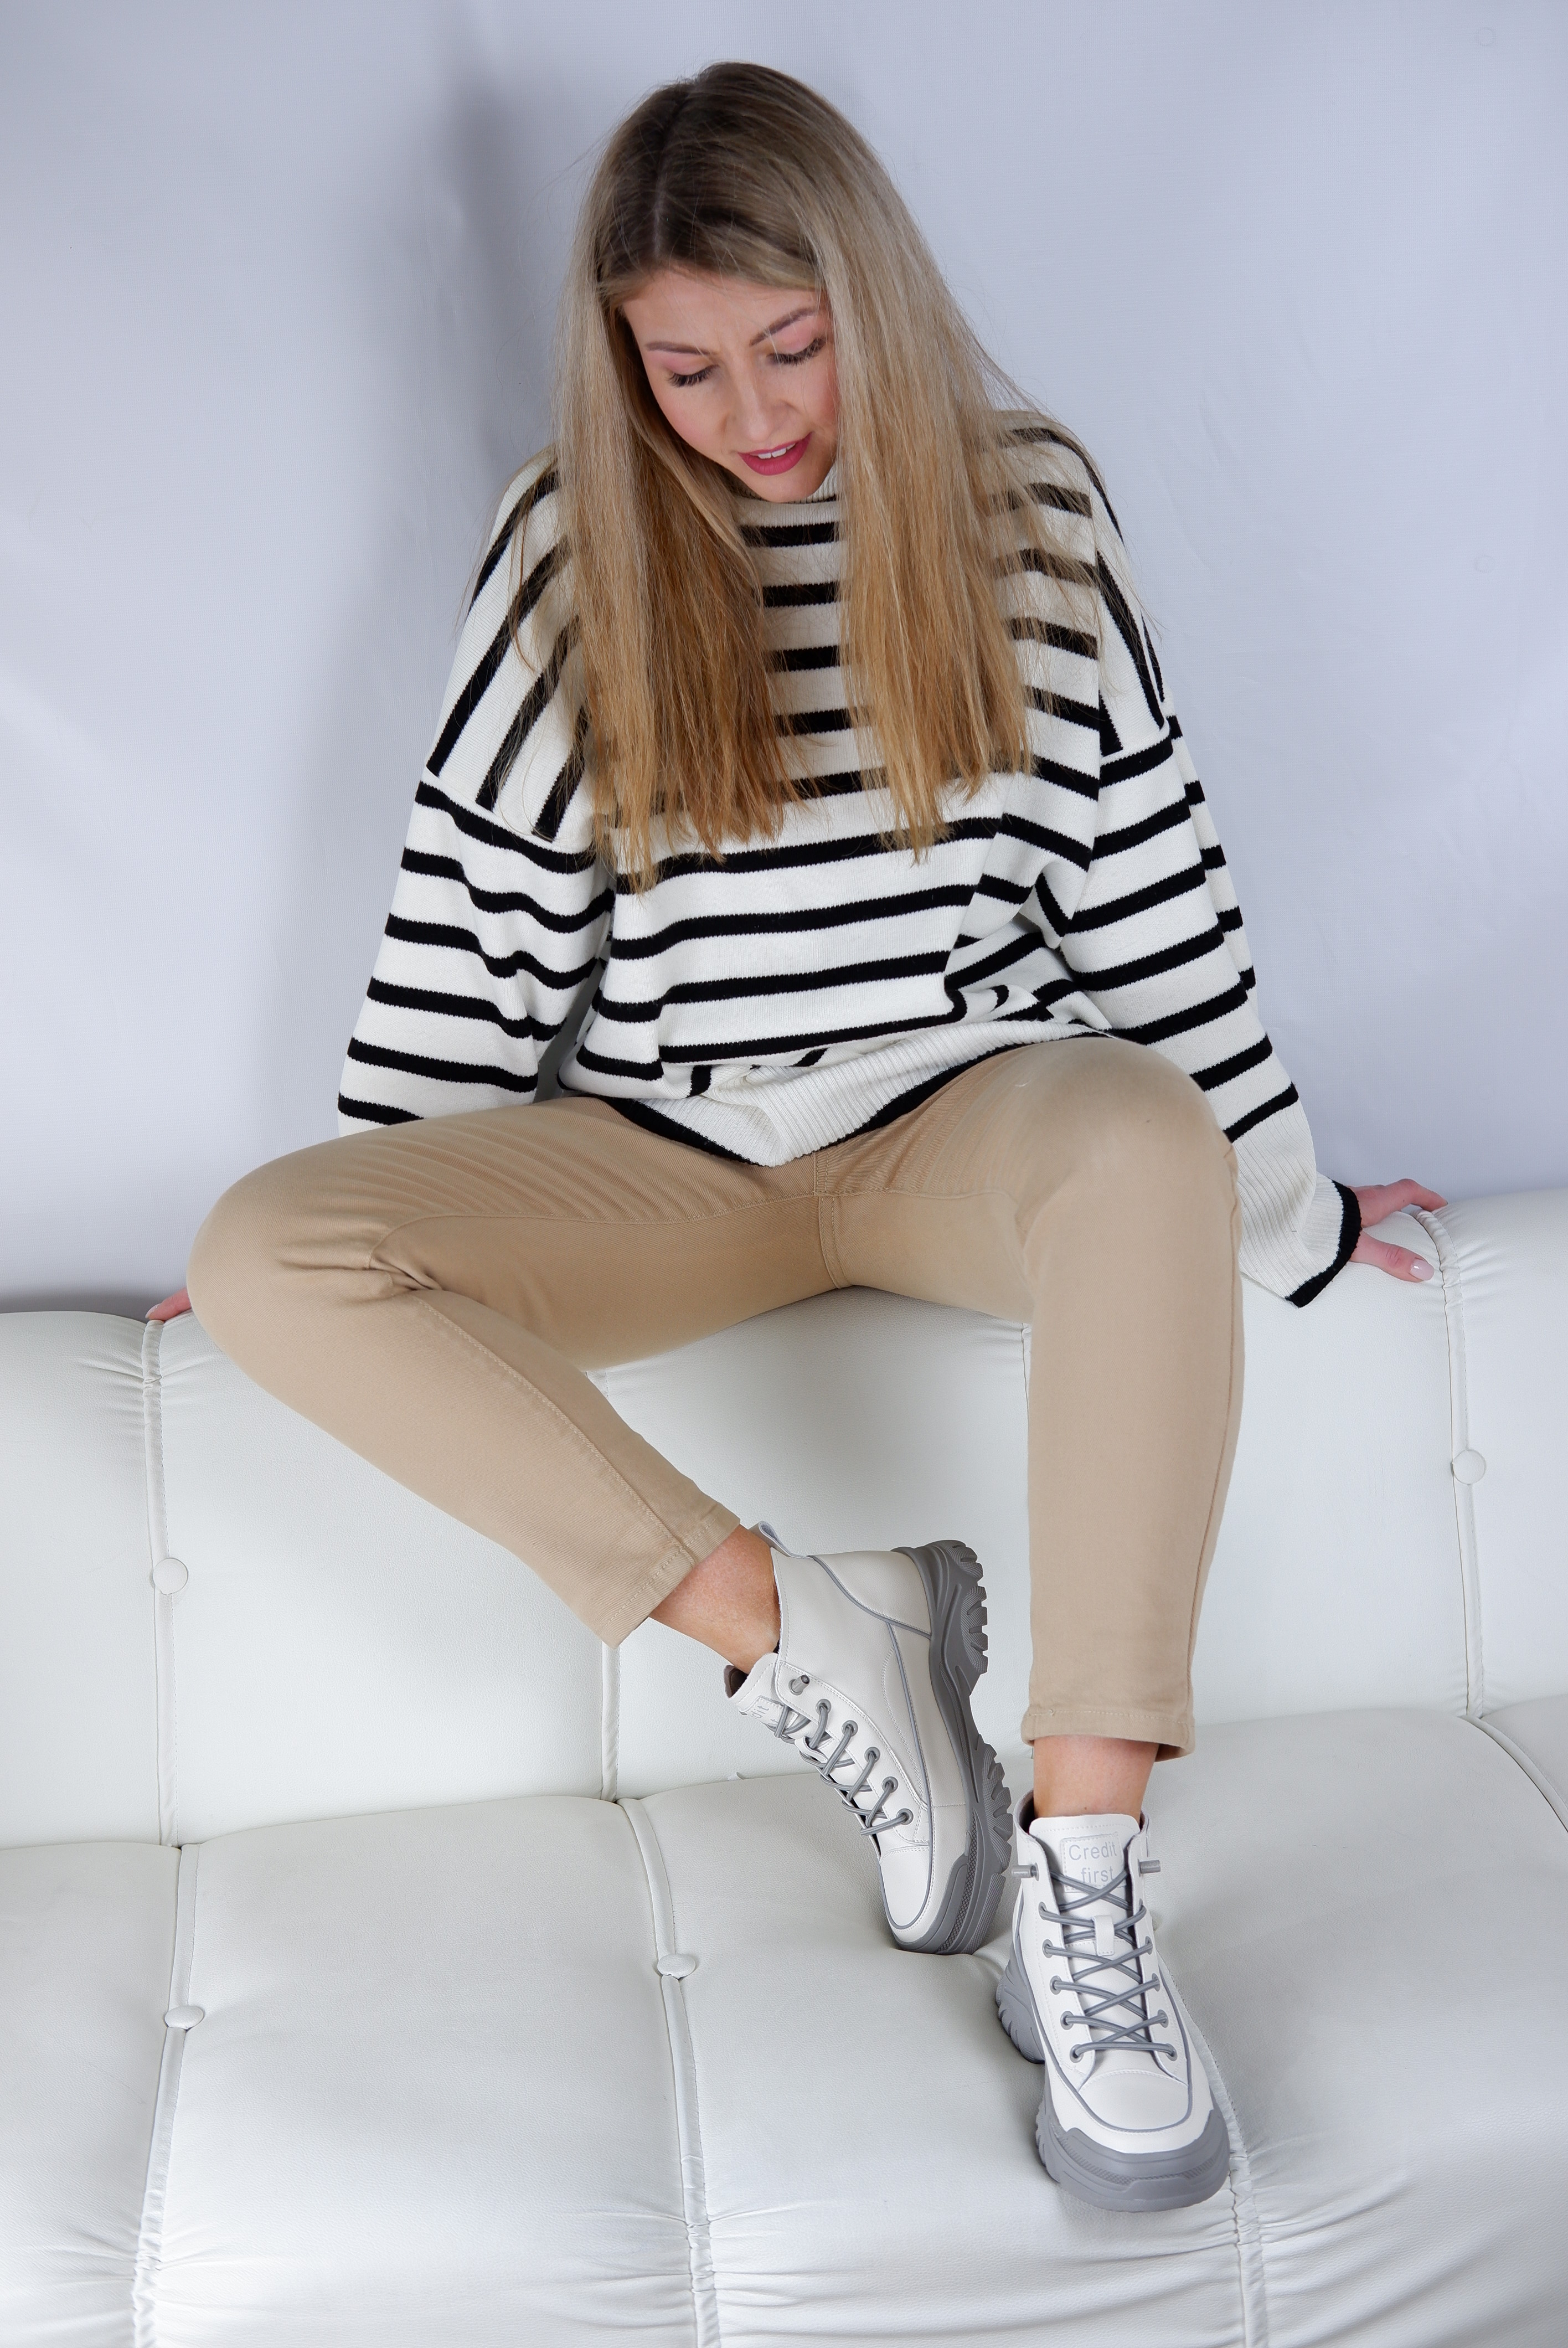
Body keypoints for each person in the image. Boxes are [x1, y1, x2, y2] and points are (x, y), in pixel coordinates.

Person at [153, 63, 1443, 2212]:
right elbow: (474, 916)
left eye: (790, 346)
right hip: (675, 1165)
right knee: (266, 1244)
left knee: (1144, 1126)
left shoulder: (1031, 512)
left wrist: (1291, 1213)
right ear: (621, 364)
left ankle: (1086, 1875)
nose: (749, 415)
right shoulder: (570, 543)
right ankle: (819, 1640)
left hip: (967, 1123)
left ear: (873, 300)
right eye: (686, 370)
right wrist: (368, 1224)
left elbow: (1152, 893)